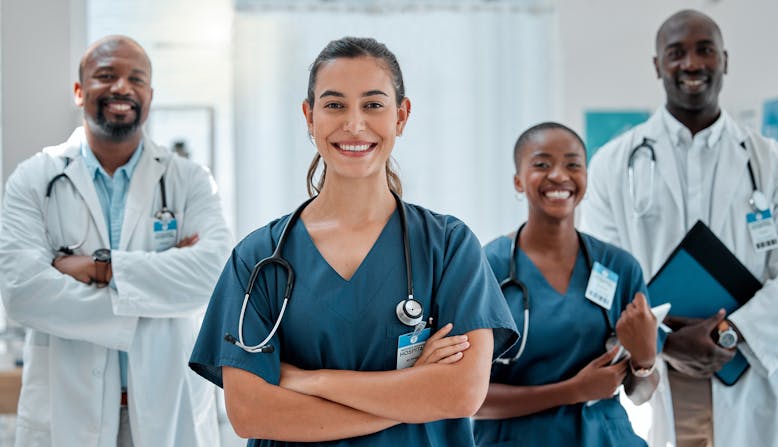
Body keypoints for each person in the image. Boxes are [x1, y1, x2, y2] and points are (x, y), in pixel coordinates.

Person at [188, 36, 518, 447]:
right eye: (334, 105)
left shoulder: (448, 247)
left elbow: (461, 393)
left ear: (401, 116)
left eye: (373, 104)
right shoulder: (258, 258)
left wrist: (312, 380)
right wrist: (412, 391)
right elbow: (250, 413)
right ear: (309, 117)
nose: (354, 124)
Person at [0, 35, 232, 446]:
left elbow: (214, 276)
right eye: (106, 76)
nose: (121, 87)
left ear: (149, 95)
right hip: (67, 412)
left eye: (135, 79)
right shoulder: (34, 178)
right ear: (79, 91)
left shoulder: (189, 179)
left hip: (168, 409)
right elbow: (22, 292)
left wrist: (98, 268)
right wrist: (156, 293)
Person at [581, 9, 778, 447]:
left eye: (705, 50)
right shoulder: (614, 163)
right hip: (654, 373)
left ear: (724, 60)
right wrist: (665, 341)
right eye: (676, 53)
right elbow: (600, 276)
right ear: (658, 65)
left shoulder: (768, 162)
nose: (691, 64)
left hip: (747, 366)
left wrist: (729, 332)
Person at [473, 122, 659, 446]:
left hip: (606, 437)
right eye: (542, 164)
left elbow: (640, 394)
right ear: (518, 181)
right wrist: (572, 391)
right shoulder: (486, 268)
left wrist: (644, 360)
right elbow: (468, 399)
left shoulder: (619, 267)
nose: (559, 175)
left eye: (573, 165)